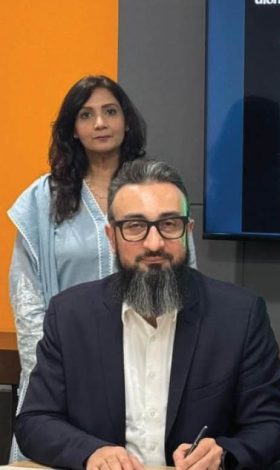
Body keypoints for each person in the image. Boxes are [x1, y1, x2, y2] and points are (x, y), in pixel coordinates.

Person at [14, 159, 280, 470]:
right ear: (111, 237)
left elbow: (270, 426)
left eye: (169, 224)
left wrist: (223, 453)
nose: (154, 243)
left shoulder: (239, 315)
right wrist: (92, 452)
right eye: (135, 226)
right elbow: (35, 421)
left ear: (187, 231)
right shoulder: (70, 315)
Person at [6, 75, 197, 462]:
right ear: (72, 129)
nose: (100, 123)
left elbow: (184, 272)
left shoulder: (156, 190)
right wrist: (48, 368)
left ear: (126, 121)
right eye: (86, 114)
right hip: (66, 364)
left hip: (147, 362)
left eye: (110, 111)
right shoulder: (43, 199)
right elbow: (26, 294)